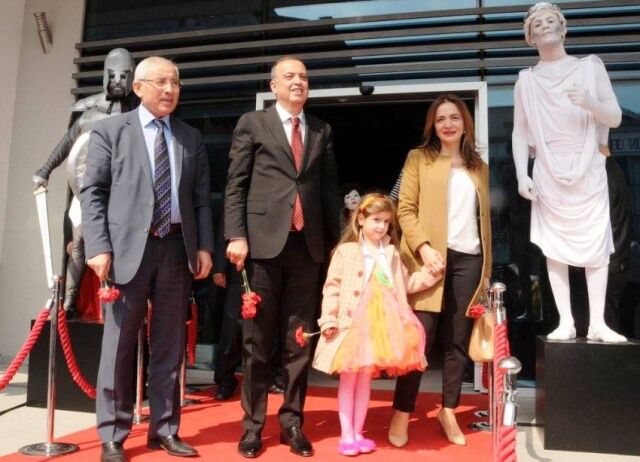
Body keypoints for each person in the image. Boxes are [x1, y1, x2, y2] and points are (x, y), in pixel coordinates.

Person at [81, 56, 214, 462]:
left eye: (175, 82)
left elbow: (201, 200)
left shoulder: (190, 137)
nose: (170, 90)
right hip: (126, 252)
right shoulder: (109, 131)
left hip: (175, 249)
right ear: (138, 88)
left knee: (170, 345)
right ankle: (113, 434)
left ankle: (165, 429)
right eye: (161, 82)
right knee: (119, 346)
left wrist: (204, 247)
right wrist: (98, 246)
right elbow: (93, 193)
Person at [225, 56, 341, 458]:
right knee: (257, 342)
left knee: (298, 341)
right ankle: (253, 426)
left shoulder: (322, 130)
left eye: (304, 77)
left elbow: (328, 190)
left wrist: (337, 244)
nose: (298, 82)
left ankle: (292, 423)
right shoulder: (252, 124)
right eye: (289, 76)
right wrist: (236, 234)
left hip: (307, 248)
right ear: (273, 85)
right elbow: (236, 184)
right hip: (261, 246)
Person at [511, 2, 626, 343]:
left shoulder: (589, 67)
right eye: (537, 24)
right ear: (530, 38)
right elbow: (519, 131)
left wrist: (590, 102)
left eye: (551, 21)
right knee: (554, 247)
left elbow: (615, 117)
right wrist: (521, 174)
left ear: (563, 29)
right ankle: (566, 321)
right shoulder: (526, 81)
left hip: (587, 164)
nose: (545, 26)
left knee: (596, 243)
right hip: (548, 166)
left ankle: (598, 322)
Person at [388, 94, 492, 447]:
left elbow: (485, 222)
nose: (448, 124)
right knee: (420, 338)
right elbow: (405, 209)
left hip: (470, 259)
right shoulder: (419, 158)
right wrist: (423, 248)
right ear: (432, 126)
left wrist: (486, 271)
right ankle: (402, 411)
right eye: (441, 119)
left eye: (454, 117)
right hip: (429, 258)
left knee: (457, 340)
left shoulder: (479, 167)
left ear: (465, 123)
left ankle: (449, 410)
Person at [313, 193, 437, 456]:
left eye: (386, 222)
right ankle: (347, 435)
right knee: (349, 380)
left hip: (380, 326)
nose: (381, 226)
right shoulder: (346, 251)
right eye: (376, 220)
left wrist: (431, 274)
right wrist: (328, 318)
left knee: (364, 381)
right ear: (361, 219)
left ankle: (358, 432)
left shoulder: (390, 253)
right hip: (351, 324)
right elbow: (332, 288)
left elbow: (406, 283)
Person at [33, 48, 136, 317]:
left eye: (123, 75)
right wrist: (45, 170)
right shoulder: (89, 114)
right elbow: (67, 144)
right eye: (113, 75)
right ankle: (68, 302)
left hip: (122, 196)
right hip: (86, 192)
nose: (117, 81)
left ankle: (113, 308)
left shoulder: (138, 114)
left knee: (120, 249)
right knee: (78, 247)